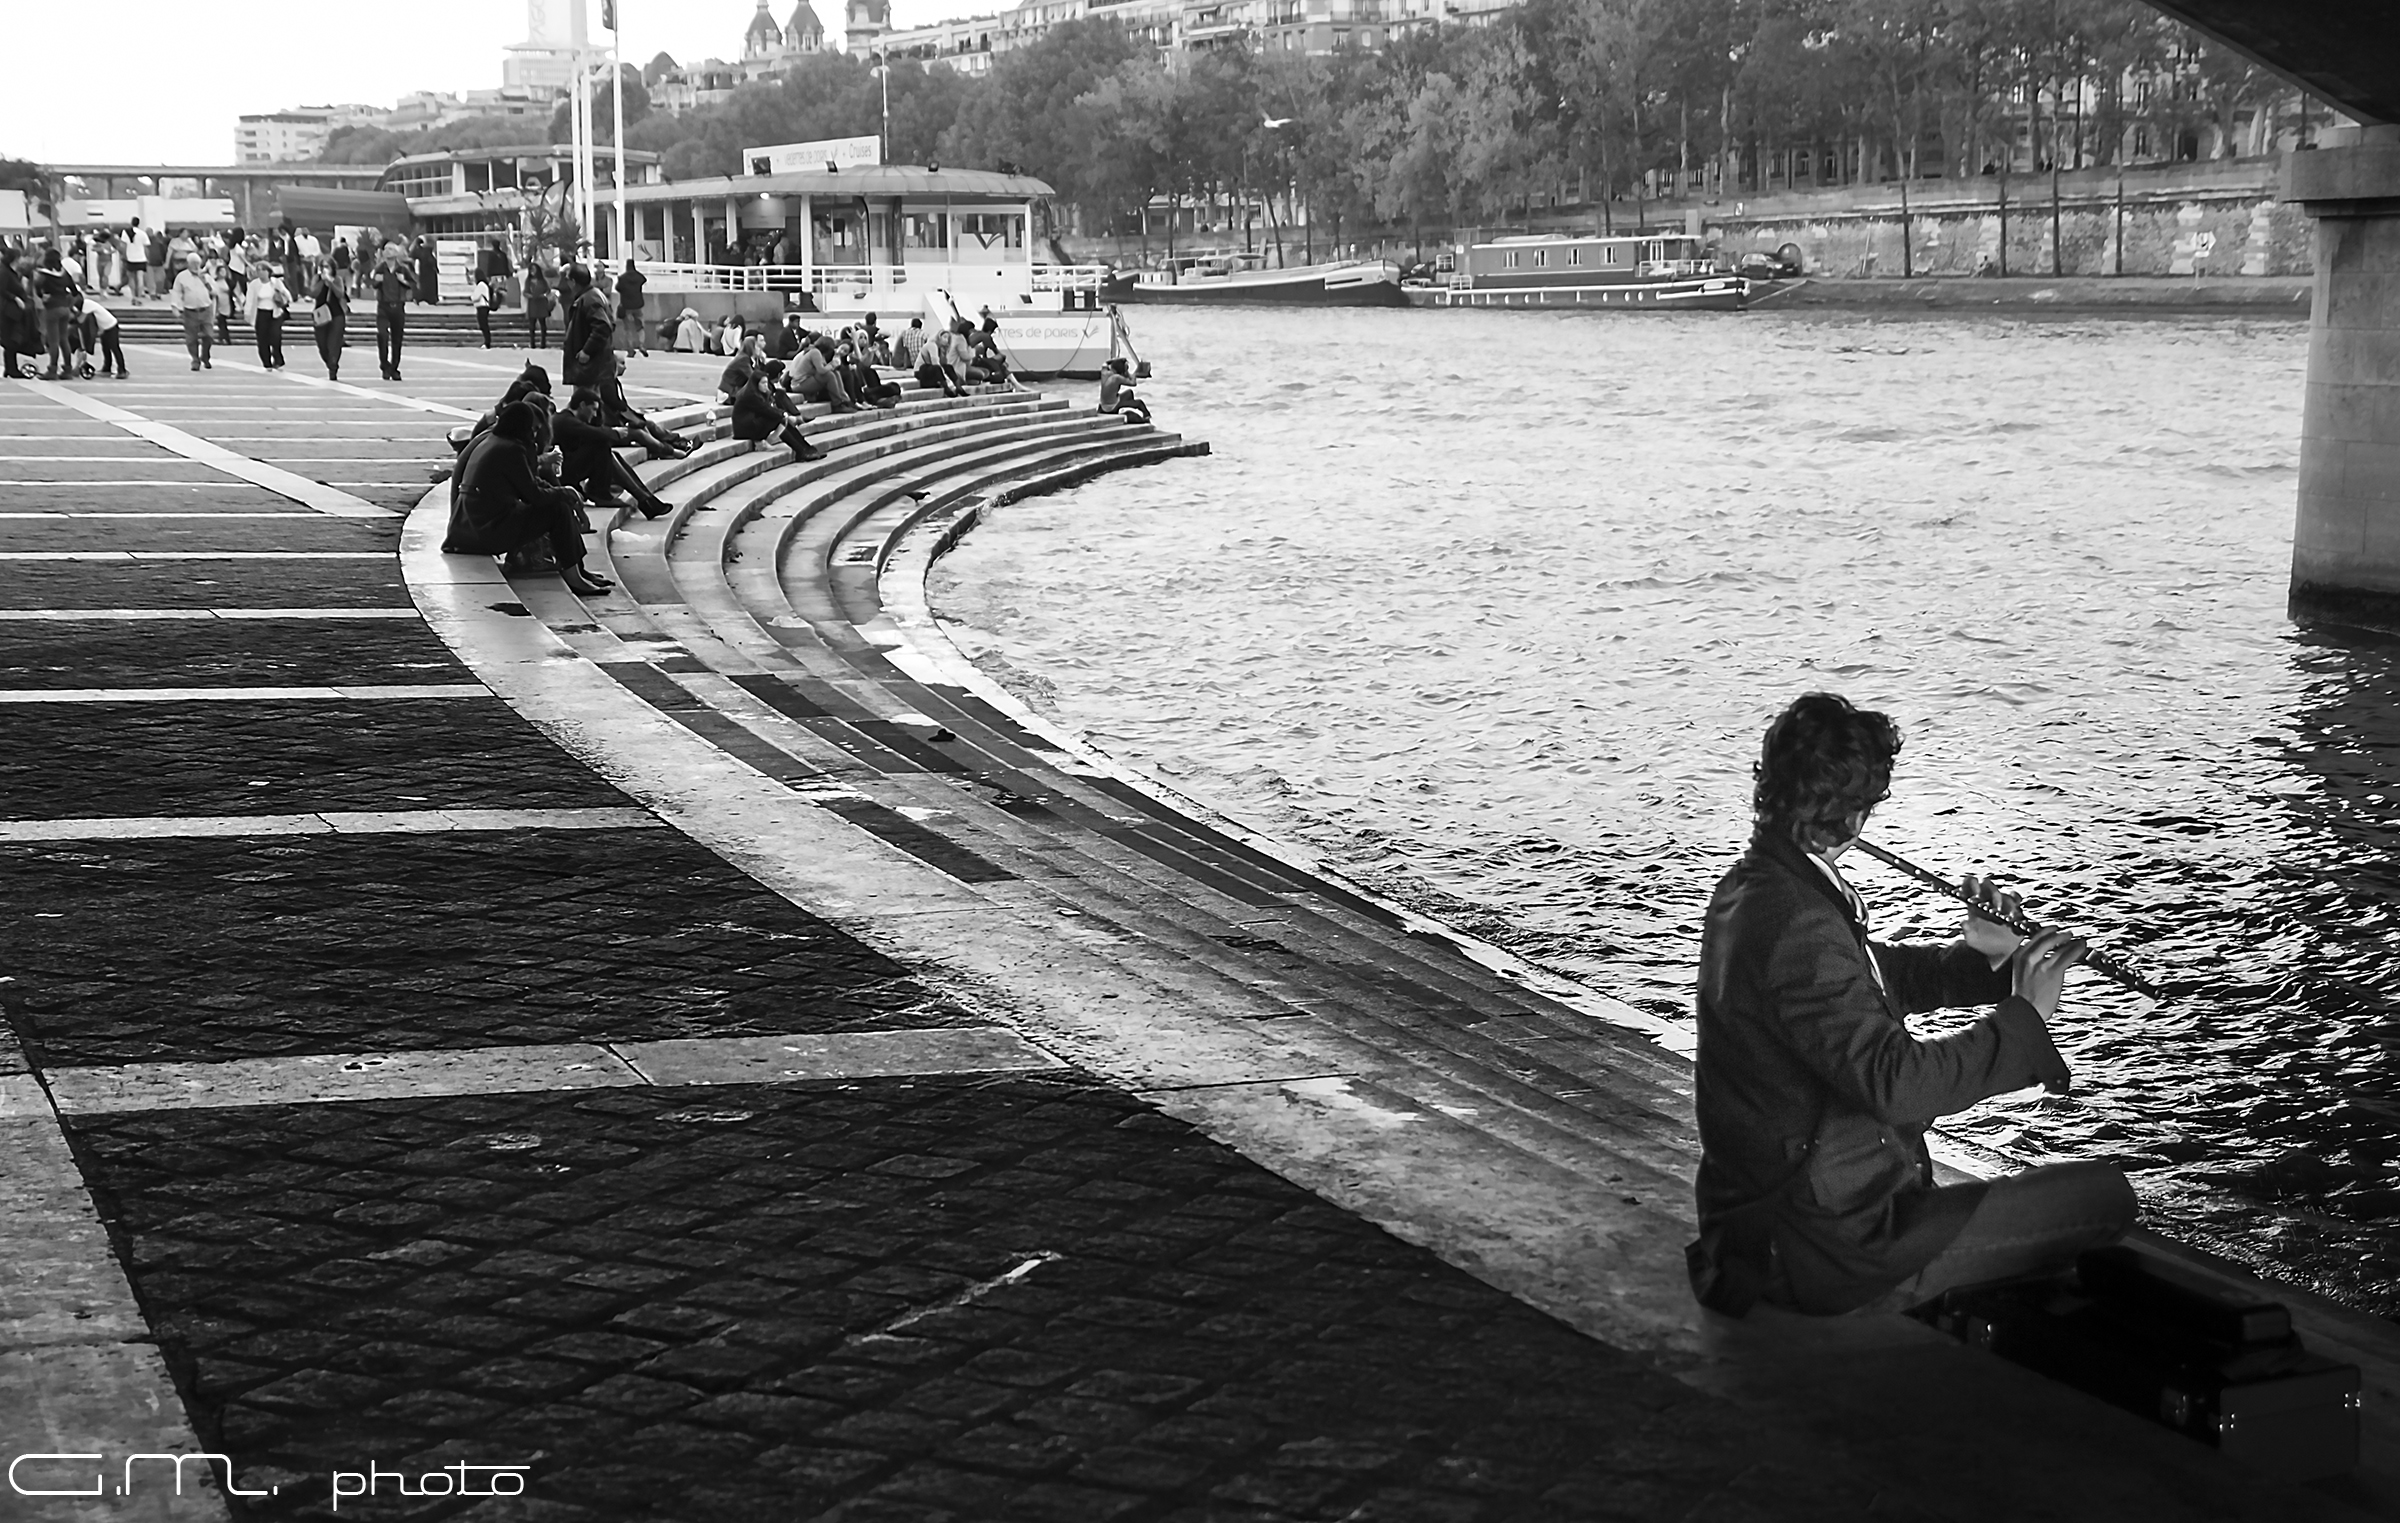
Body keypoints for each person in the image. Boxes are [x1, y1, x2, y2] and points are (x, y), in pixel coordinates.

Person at [1687, 692, 2138, 1319]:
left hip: (1774, 1225)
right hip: (1827, 1244)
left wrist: (1981, 958)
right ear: (1853, 817)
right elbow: (1896, 1085)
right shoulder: (1798, 920)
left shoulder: (1757, 886)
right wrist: (2026, 1018)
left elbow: (1868, 978)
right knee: (2107, 1198)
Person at [443, 400, 614, 596]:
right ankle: (575, 578)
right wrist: (565, 493)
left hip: (468, 528)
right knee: (557, 510)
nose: (534, 434)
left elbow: (531, 482)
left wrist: (563, 492)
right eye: (532, 429)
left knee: (558, 502)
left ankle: (579, 571)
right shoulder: (510, 449)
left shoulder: (495, 441)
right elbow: (535, 496)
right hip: (484, 532)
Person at [556, 385, 671, 519]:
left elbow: (594, 429)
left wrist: (603, 423)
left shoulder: (570, 419)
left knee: (611, 454)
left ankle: (646, 499)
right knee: (601, 444)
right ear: (582, 405)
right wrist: (615, 432)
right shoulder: (565, 420)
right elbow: (592, 432)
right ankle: (605, 493)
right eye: (593, 410)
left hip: (570, 468)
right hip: (564, 475)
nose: (594, 415)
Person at [730, 361, 824, 462]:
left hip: (753, 424)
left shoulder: (757, 393)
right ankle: (801, 451)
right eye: (763, 383)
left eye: (766, 382)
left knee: (781, 419)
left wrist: (785, 416)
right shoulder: (751, 395)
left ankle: (806, 449)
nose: (766, 385)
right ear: (756, 384)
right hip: (745, 429)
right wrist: (785, 415)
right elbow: (766, 410)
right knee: (779, 419)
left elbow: (768, 409)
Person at [559, 263, 615, 389]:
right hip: (594, 366)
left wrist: (587, 350)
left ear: (573, 282)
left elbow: (602, 326)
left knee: (587, 401)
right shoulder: (592, 296)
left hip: (591, 367)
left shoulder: (590, 299)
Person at [33, 249, 81, 379]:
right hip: (64, 307)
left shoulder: (43, 274)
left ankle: (52, 370)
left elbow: (37, 289)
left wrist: (43, 296)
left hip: (52, 308)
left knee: (53, 341)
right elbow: (75, 291)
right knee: (64, 339)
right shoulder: (64, 273)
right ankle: (67, 369)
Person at [371, 244, 415, 381]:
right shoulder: (380, 268)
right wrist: (376, 282)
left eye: (391, 249)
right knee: (382, 335)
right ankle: (384, 365)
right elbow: (372, 283)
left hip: (398, 307)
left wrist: (404, 281)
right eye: (386, 249)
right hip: (383, 306)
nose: (387, 251)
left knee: (397, 339)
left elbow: (414, 284)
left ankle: (394, 367)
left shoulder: (402, 269)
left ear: (396, 253)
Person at [169, 254, 214, 370]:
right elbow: (177, 292)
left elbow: (215, 292)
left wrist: (205, 282)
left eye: (197, 263)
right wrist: (175, 307)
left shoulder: (205, 276)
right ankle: (195, 359)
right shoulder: (181, 277)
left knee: (209, 335)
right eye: (193, 263)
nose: (195, 266)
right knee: (191, 338)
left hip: (206, 309)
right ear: (188, 264)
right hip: (190, 311)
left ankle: (205, 355)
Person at [246, 263, 291, 370]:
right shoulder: (254, 284)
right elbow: (249, 299)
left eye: (262, 270)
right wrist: (247, 313)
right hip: (261, 313)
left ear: (268, 271)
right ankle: (266, 362)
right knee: (262, 339)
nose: (260, 272)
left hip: (275, 312)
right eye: (258, 270)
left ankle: (278, 359)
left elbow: (287, 294)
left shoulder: (276, 282)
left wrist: (283, 297)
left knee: (276, 336)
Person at [792, 337, 855, 411]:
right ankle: (837, 404)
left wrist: (833, 366)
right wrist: (832, 364)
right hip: (799, 383)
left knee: (835, 372)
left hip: (807, 380)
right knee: (829, 376)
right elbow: (821, 370)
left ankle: (844, 399)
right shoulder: (815, 352)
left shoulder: (818, 353)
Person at [2, 247, 37, 379]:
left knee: (12, 338)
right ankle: (11, 369)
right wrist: (15, 298)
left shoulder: (11, 271)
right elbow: (2, 289)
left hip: (13, 310)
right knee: (11, 338)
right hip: (8, 310)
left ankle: (11, 368)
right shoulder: (4, 272)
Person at [310, 262, 349, 380]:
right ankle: (329, 361)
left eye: (327, 267)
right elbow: (313, 293)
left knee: (334, 343)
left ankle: (333, 366)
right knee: (322, 344)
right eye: (323, 267)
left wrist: (330, 282)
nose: (325, 269)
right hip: (321, 314)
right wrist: (322, 281)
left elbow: (340, 293)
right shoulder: (317, 279)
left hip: (336, 314)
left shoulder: (337, 279)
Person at [85, 294, 125, 379]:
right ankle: (107, 368)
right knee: (105, 348)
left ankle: (122, 370)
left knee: (114, 347)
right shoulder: (85, 304)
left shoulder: (86, 304)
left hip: (111, 325)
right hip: (104, 327)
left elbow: (80, 319)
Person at [1099, 357, 1149, 424]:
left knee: (1129, 393)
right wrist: (1133, 372)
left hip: (1103, 405)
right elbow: (1133, 383)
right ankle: (1147, 417)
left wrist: (1116, 360)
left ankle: (1124, 408)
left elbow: (1105, 363)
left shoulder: (1104, 373)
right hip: (1111, 407)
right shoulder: (1116, 378)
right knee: (1139, 403)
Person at [616, 258, 648, 356]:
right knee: (640, 326)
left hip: (626, 306)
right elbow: (644, 279)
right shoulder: (639, 277)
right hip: (638, 305)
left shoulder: (623, 278)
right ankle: (641, 344)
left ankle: (630, 348)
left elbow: (617, 288)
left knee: (628, 328)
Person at [524, 265, 554, 348]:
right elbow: (525, 291)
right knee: (532, 325)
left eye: (534, 269)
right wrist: (529, 295)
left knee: (543, 325)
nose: (532, 271)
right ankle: (532, 343)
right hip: (532, 303)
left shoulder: (543, 281)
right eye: (531, 269)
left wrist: (544, 295)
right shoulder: (528, 281)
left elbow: (548, 290)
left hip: (541, 303)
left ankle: (543, 343)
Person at [122, 218, 149, 302]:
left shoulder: (125, 232)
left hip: (130, 257)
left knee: (131, 278)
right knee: (140, 277)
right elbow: (146, 247)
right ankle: (140, 294)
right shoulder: (143, 233)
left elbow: (124, 245)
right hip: (141, 258)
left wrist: (124, 256)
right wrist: (147, 257)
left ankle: (133, 295)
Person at [472, 272, 498, 348]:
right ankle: (487, 341)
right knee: (484, 325)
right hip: (484, 306)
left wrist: (472, 297)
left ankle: (487, 342)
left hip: (481, 306)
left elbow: (475, 297)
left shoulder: (480, 285)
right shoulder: (484, 285)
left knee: (483, 325)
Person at [412, 235, 439, 304]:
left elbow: (412, 253)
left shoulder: (422, 252)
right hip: (429, 273)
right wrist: (436, 269)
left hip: (424, 273)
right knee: (429, 287)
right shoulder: (428, 253)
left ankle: (420, 298)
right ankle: (431, 299)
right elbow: (432, 261)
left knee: (424, 287)